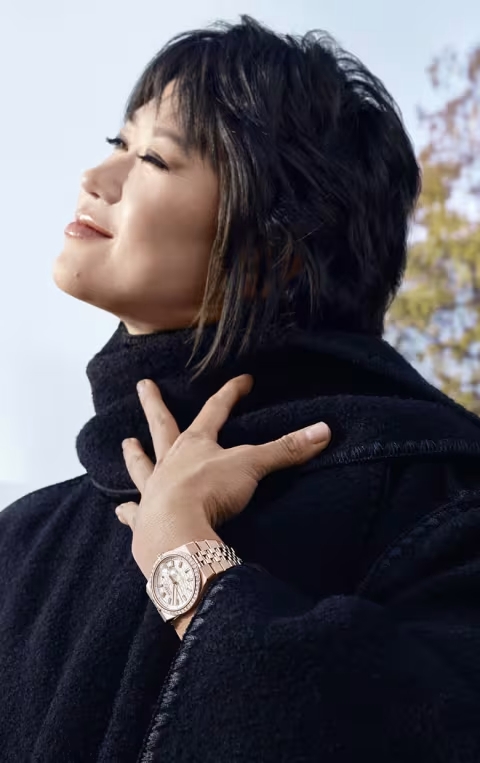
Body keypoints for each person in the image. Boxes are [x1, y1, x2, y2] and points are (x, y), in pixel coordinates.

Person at [1, 14, 480, 763]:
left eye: (153, 158)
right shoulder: (24, 538)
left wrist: (188, 565)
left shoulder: (438, 497)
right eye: (118, 143)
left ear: (273, 251)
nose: (96, 179)